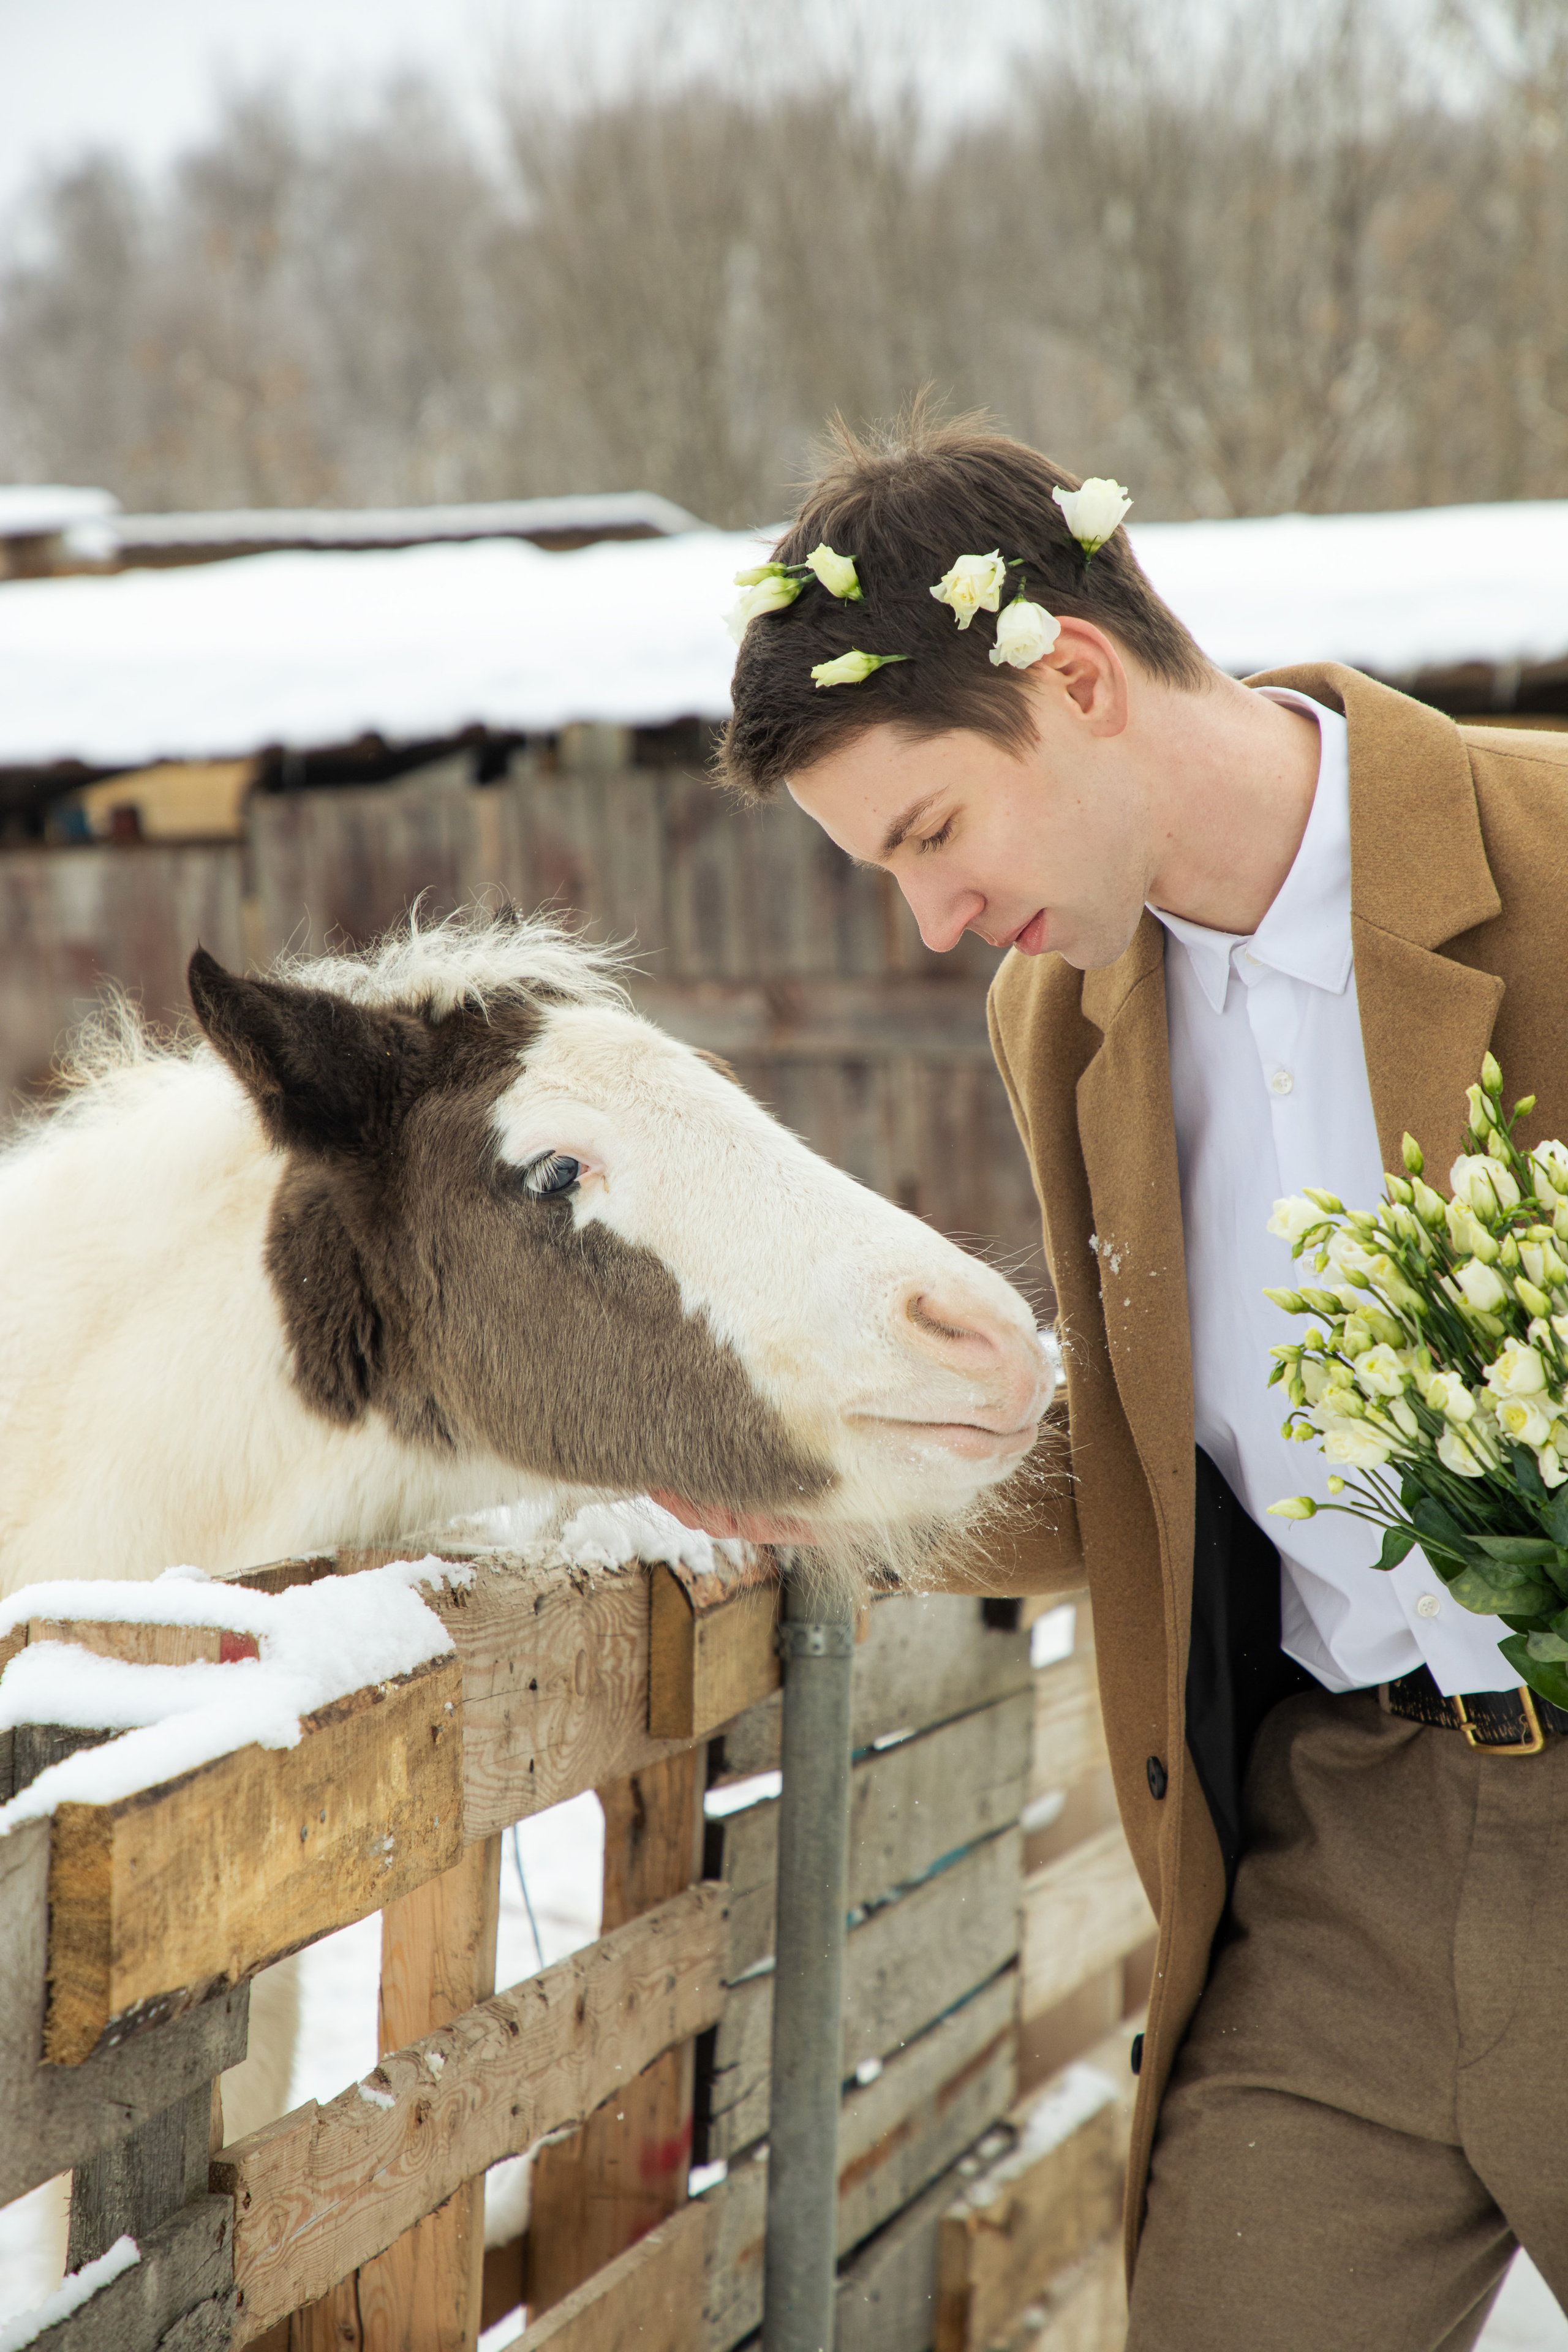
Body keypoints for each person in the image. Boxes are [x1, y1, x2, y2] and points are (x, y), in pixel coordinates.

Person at [710, 409, 1568, 2348]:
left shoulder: (1553, 852)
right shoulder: (1063, 1015)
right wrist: (817, 1472)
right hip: (1340, 1857)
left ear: (1074, 678)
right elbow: (1142, 1467)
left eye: (929, 834)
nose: (930, 921)